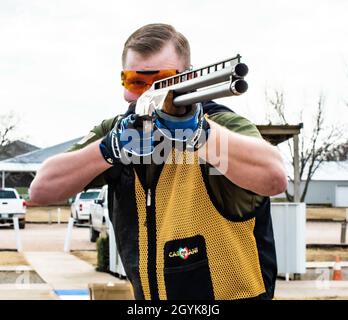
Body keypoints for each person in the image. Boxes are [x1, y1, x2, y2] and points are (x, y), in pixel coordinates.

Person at [29, 23, 287, 300]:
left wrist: (201, 136)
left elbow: (274, 177)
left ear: (190, 78)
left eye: (162, 81)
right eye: (136, 82)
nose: (150, 93)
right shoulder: (117, 132)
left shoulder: (217, 126)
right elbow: (41, 190)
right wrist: (107, 150)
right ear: (124, 86)